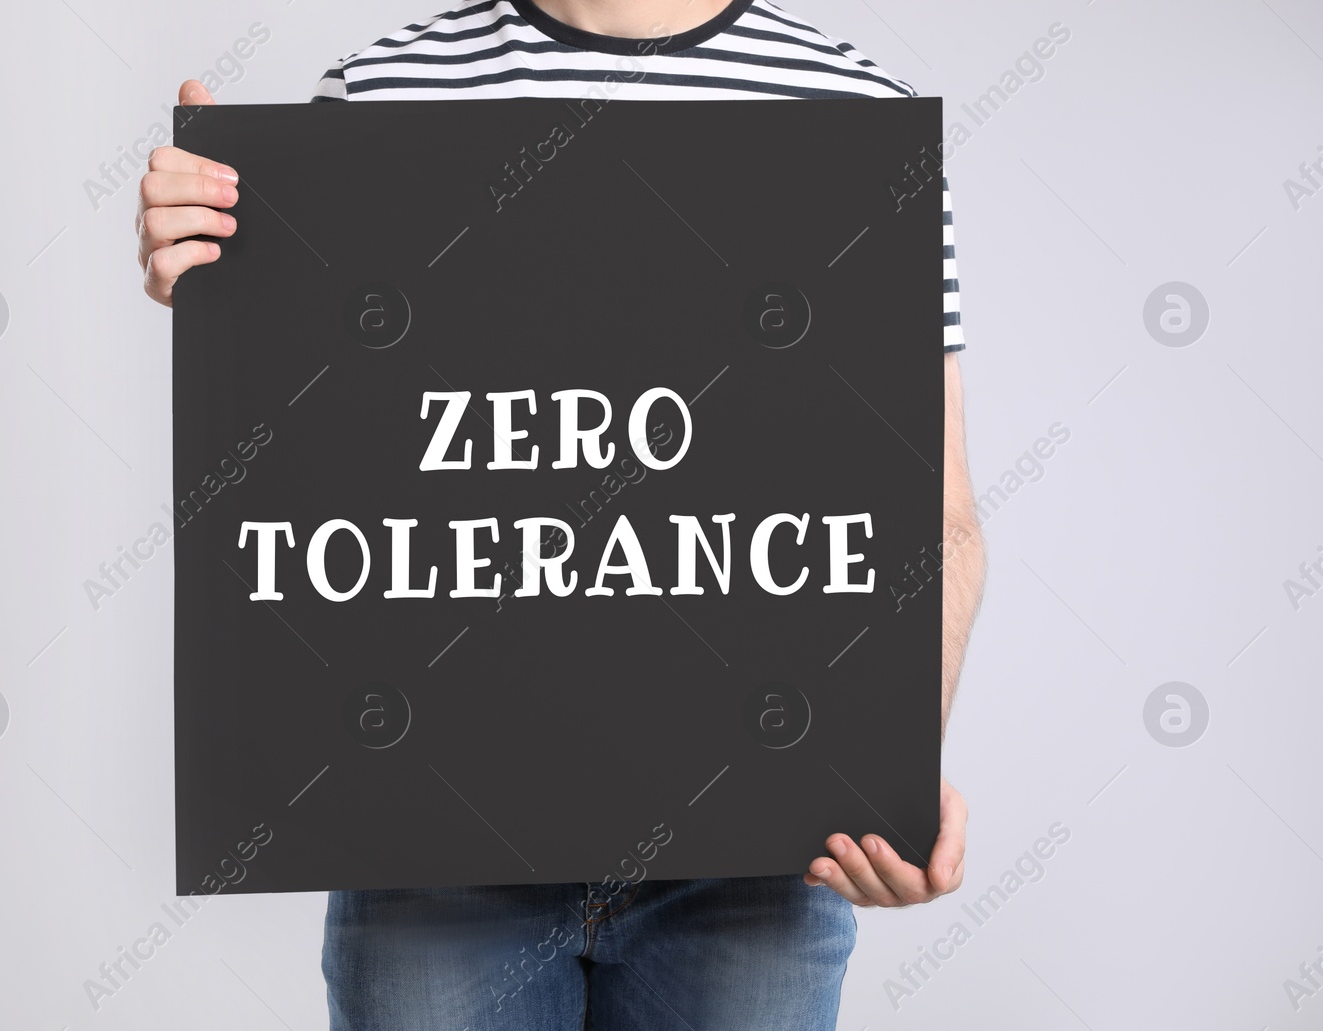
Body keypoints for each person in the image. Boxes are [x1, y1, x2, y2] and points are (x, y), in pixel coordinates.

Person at [135, 2, 986, 1027]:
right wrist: (231, 300)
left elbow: (936, 518)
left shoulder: (855, 114)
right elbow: (322, 495)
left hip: (753, 867)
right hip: (432, 854)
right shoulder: (377, 94)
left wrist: (882, 762)